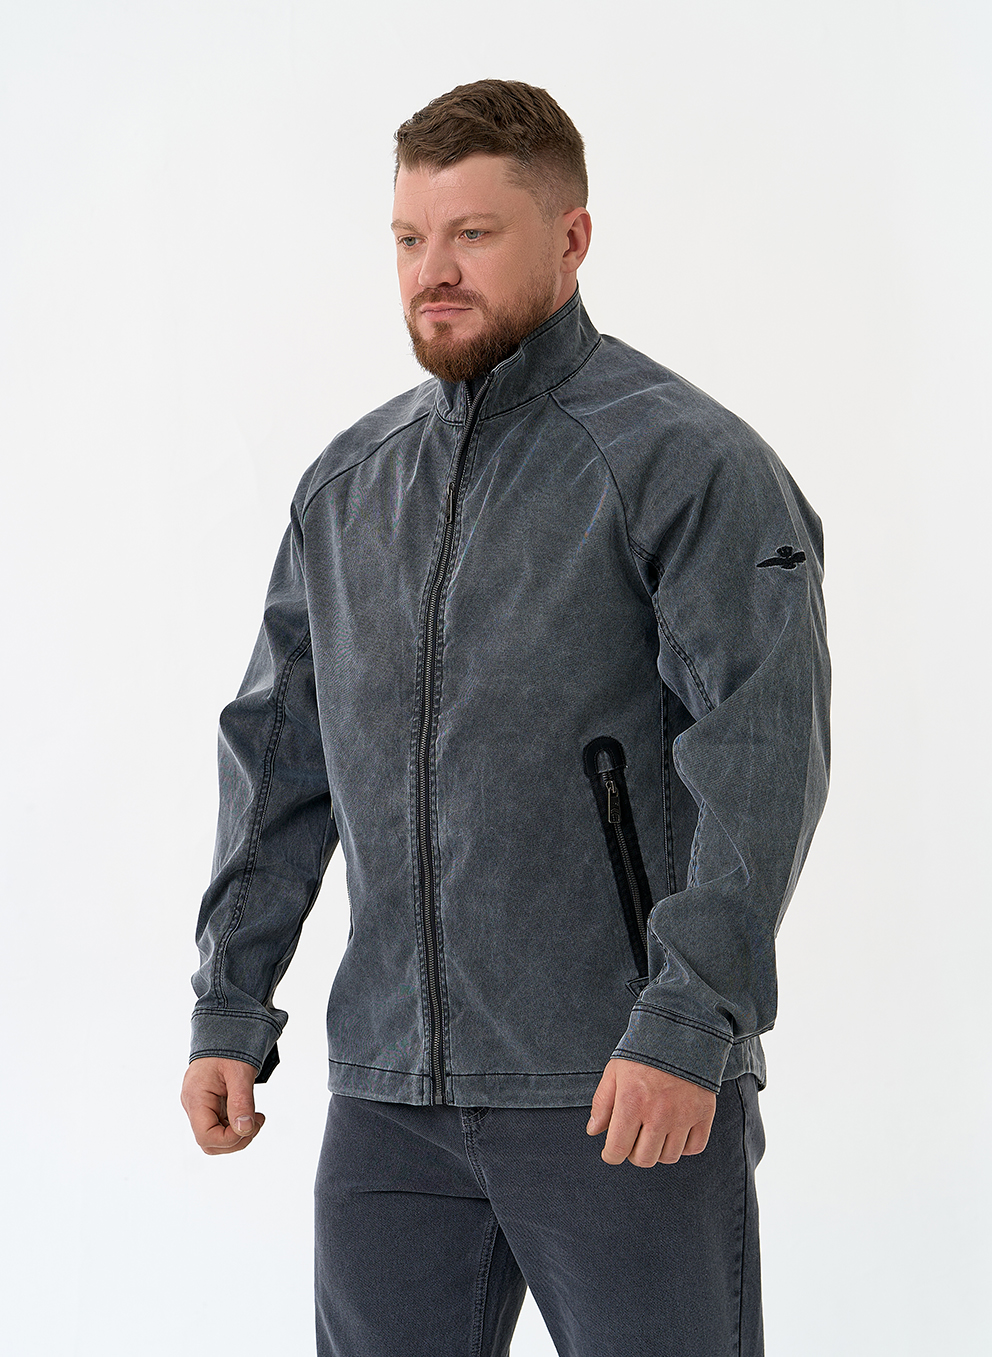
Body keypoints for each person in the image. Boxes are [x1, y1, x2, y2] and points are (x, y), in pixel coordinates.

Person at [181, 79, 830, 1357]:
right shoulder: (347, 487)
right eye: (409, 238)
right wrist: (229, 1002)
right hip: (389, 1099)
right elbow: (278, 758)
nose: (433, 270)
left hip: (618, 1080)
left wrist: (687, 1018)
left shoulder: (685, 462)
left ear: (571, 239)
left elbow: (761, 756)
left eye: (473, 234)